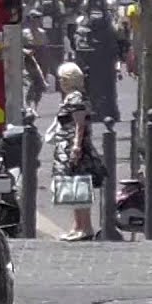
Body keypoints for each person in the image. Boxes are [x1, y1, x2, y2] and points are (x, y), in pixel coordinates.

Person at [50, 62, 103, 241]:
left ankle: (85, 227)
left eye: (62, 79)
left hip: (75, 147)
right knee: (73, 185)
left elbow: (80, 124)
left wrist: (76, 146)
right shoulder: (72, 97)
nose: (60, 82)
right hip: (68, 146)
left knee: (79, 186)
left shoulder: (75, 98)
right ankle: (77, 225)